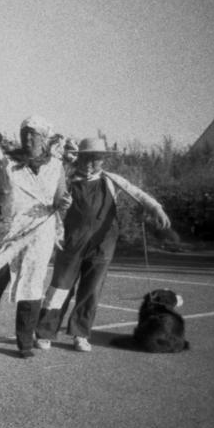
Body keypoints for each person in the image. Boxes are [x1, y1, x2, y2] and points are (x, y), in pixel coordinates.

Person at [35, 137, 171, 352]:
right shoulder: (66, 179)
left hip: (103, 246)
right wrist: (60, 205)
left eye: (96, 159)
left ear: (103, 160)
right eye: (87, 158)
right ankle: (44, 332)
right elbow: (50, 205)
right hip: (71, 244)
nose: (91, 163)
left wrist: (156, 208)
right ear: (79, 159)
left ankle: (80, 334)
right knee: (59, 288)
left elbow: (137, 193)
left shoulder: (111, 180)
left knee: (91, 291)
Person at [0, 116, 72, 358]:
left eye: (33, 134)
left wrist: (63, 202)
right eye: (24, 133)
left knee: (32, 285)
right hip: (9, 231)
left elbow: (61, 197)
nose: (27, 138)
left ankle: (25, 343)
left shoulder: (56, 166)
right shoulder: (8, 161)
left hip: (40, 232)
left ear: (44, 138)